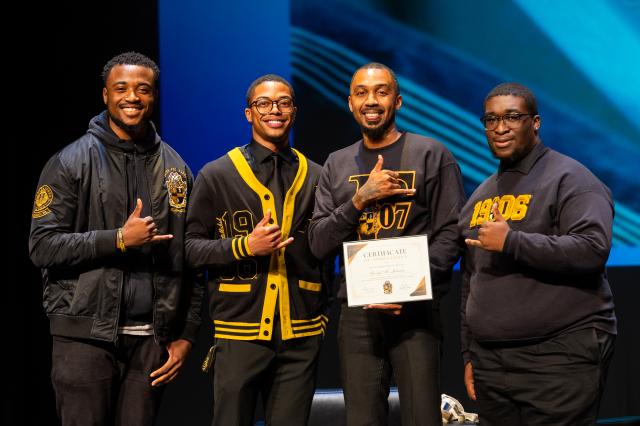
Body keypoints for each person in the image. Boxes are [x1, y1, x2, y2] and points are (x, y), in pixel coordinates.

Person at [29, 51, 203, 426]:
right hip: (84, 338)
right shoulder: (70, 162)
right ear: (105, 95)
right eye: (121, 88)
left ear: (154, 96)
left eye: (143, 89)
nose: (132, 97)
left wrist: (186, 335)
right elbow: (42, 246)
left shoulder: (176, 169)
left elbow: (189, 259)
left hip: (149, 342)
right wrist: (119, 239)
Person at [308, 63, 465, 426]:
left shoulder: (431, 155)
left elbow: (451, 234)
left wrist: (408, 289)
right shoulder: (337, 163)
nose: (371, 100)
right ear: (350, 103)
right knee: (362, 419)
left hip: (416, 313)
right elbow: (318, 243)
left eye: (381, 92)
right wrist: (359, 199)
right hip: (357, 314)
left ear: (398, 101)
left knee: (422, 418)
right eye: (361, 93)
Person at [459, 82, 616, 426]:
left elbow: (592, 249)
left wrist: (512, 242)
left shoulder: (572, 178)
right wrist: (470, 352)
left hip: (557, 356)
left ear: (536, 122)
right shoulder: (479, 196)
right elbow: (472, 280)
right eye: (491, 119)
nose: (500, 128)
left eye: (512, 117)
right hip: (491, 363)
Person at [185, 74, 331, 426]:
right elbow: (189, 250)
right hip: (240, 334)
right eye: (263, 103)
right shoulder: (217, 175)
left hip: (301, 333)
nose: (274, 110)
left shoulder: (317, 175)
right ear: (249, 113)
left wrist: (322, 316)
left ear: (294, 111)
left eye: (283, 102)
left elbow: (330, 249)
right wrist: (244, 245)